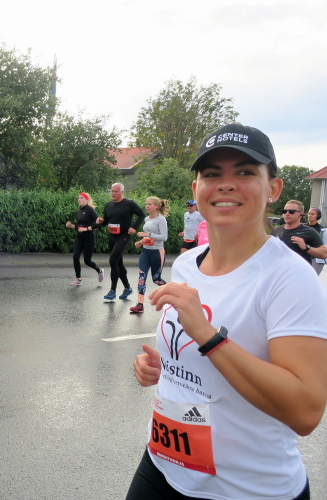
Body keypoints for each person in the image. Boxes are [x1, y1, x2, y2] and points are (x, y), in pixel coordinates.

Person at [128, 123, 327, 500]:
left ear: (273, 189)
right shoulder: (186, 264)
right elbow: (196, 360)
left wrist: (208, 336)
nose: (226, 184)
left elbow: (305, 412)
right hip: (164, 464)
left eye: (245, 172)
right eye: (212, 174)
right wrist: (160, 367)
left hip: (246, 488)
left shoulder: (289, 277)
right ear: (196, 189)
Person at [96, 183, 145, 301]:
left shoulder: (129, 203)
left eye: (116, 191)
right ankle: (127, 288)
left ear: (122, 192)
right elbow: (106, 221)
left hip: (124, 236)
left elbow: (141, 215)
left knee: (113, 260)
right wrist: (100, 221)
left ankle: (112, 291)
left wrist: (133, 227)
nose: (113, 193)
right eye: (112, 191)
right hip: (112, 236)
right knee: (118, 263)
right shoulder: (108, 205)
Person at [129, 197, 168, 314]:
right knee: (142, 277)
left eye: (150, 204)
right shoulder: (147, 219)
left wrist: (147, 234)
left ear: (156, 206)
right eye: (146, 204)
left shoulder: (161, 219)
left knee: (156, 280)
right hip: (146, 252)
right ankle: (140, 305)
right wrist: (141, 242)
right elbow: (148, 237)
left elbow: (164, 237)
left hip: (157, 253)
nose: (147, 206)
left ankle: (173, 295)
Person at [270, 200, 327, 269]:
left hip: (299, 272)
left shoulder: (309, 231)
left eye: (291, 211)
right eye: (284, 211)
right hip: (279, 271)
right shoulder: (276, 231)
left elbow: (324, 254)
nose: (287, 214)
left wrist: (306, 247)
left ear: (301, 214)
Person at [65, 192, 104, 286]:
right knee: (75, 257)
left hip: (89, 238)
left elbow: (98, 224)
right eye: (78, 198)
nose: (79, 200)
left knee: (87, 261)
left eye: (81, 198)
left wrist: (87, 229)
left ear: (86, 200)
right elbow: (79, 226)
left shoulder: (90, 210)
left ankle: (99, 271)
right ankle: (78, 279)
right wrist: (71, 226)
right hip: (79, 237)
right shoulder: (78, 212)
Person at [306, 207, 327, 275]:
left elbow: (325, 246)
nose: (310, 215)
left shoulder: (322, 230)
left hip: (316, 259)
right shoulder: (302, 227)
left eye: (312, 214)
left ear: (318, 216)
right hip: (303, 256)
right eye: (309, 214)